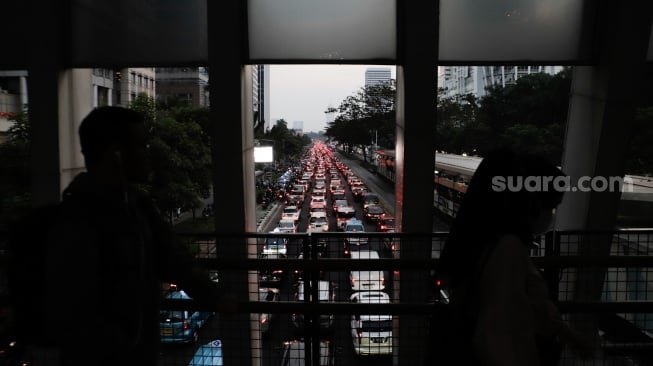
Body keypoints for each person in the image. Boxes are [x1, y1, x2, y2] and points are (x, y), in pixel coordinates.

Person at [37, 106, 235, 366]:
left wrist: (214, 297)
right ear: (116, 155)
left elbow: (173, 259)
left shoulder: (133, 205)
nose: (148, 155)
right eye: (142, 146)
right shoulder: (84, 219)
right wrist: (217, 298)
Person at [435, 147, 594, 366]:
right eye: (553, 206)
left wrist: (568, 334)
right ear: (534, 201)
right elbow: (498, 336)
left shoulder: (488, 242)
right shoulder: (508, 249)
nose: (551, 216)